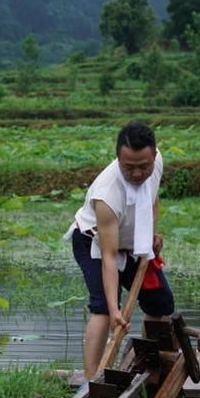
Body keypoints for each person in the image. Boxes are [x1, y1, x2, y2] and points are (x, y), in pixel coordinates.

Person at [65, 121, 174, 380]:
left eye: (143, 166)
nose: (138, 174)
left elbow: (153, 197)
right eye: (129, 167)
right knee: (102, 308)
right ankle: (92, 379)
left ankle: (143, 362)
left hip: (135, 241)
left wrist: (150, 235)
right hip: (93, 243)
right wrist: (116, 310)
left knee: (161, 304)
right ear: (118, 159)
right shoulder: (106, 194)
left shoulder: (156, 162)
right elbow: (110, 257)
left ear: (153, 155)